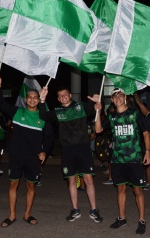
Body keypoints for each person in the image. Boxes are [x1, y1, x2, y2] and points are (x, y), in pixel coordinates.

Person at [0, 75, 53, 227]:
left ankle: (27, 214)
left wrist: (45, 152)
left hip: (33, 158)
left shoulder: (43, 118)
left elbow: (50, 137)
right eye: (30, 97)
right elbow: (1, 103)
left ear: (38, 99)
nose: (32, 99)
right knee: (13, 185)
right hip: (16, 156)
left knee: (31, 186)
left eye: (35, 97)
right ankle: (12, 215)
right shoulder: (17, 112)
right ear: (26, 100)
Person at [39, 86, 103, 223]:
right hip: (67, 150)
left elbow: (96, 109)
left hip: (83, 148)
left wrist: (98, 102)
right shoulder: (57, 111)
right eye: (60, 95)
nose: (63, 96)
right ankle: (75, 210)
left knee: (89, 180)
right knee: (72, 180)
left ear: (70, 95)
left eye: (65, 93)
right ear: (58, 99)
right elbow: (43, 115)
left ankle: (93, 210)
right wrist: (42, 100)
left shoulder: (81, 107)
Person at [94, 88, 150, 234]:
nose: (118, 97)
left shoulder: (135, 113)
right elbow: (99, 130)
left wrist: (148, 152)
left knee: (137, 189)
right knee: (120, 188)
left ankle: (142, 220)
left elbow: (145, 133)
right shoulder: (112, 117)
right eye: (115, 96)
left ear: (125, 97)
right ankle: (122, 218)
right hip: (118, 159)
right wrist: (98, 111)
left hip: (134, 158)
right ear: (112, 100)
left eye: (120, 95)